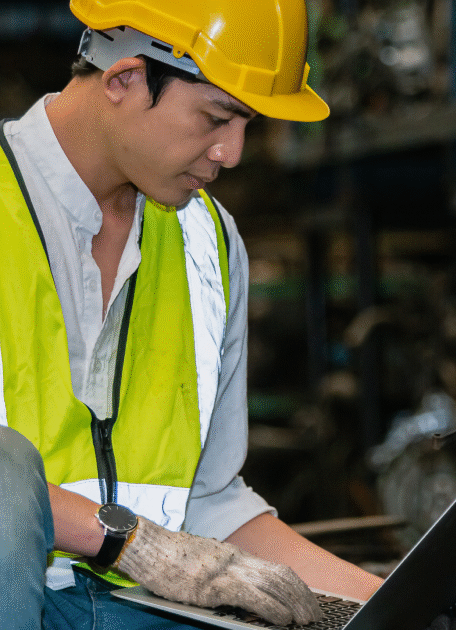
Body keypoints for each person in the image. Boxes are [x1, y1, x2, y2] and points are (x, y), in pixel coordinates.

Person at [0, 0, 385, 628]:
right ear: (124, 79)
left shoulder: (207, 241)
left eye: (247, 124)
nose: (231, 153)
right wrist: (129, 541)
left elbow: (207, 506)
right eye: (216, 117)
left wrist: (391, 604)